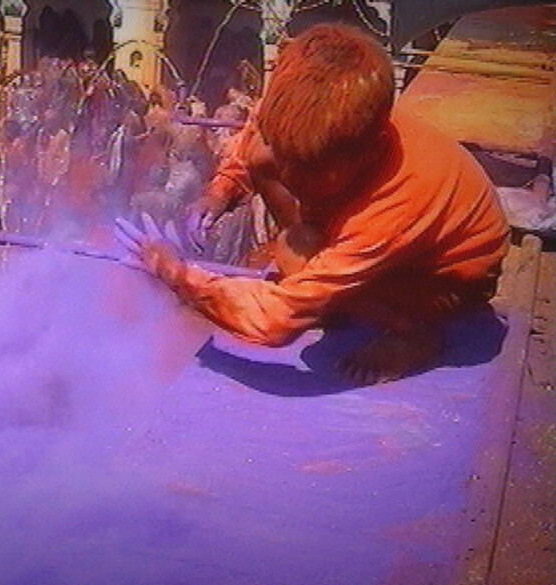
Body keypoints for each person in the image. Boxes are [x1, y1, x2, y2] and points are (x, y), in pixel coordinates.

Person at [117, 24, 509, 385]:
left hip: (439, 281)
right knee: (264, 160)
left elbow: (274, 321)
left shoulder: (395, 204)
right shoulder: (302, 98)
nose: (288, 175)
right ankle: (324, 281)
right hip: (372, 228)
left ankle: (415, 333)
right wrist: (222, 189)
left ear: (367, 153)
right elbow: (258, 128)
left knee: (297, 264)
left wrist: (179, 276)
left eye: (308, 168)